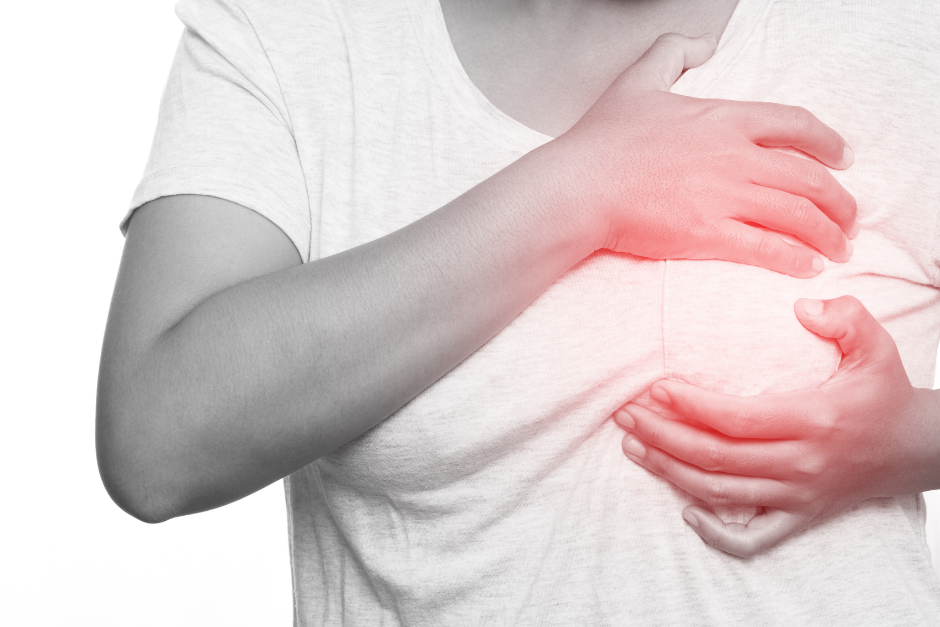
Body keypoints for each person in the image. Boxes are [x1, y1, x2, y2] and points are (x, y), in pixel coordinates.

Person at [96, 0, 940, 624]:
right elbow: (157, 443)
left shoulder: (897, 32)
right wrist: (582, 186)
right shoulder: (293, 30)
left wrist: (906, 440)